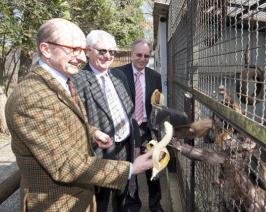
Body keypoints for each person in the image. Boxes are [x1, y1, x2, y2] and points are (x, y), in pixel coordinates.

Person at [5, 18, 153, 212]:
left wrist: (91, 132)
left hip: (81, 194)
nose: (82, 57)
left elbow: (64, 119)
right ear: (46, 49)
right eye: (73, 49)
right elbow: (65, 165)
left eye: (82, 50)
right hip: (56, 202)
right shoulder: (31, 97)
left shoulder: (63, 81)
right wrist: (131, 169)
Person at [71, 30, 141, 212]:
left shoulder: (119, 76)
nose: (108, 56)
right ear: (88, 51)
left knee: (124, 196)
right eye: (102, 51)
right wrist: (93, 135)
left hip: (125, 147)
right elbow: (74, 121)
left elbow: (130, 114)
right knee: (100, 201)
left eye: (112, 52)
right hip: (99, 151)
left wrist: (136, 144)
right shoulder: (77, 80)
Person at [117, 39, 164, 212]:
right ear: (131, 54)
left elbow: (157, 105)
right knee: (130, 167)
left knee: (154, 169)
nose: (142, 59)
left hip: (145, 129)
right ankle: (132, 204)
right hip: (126, 130)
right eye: (139, 55)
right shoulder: (117, 74)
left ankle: (155, 204)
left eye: (146, 56)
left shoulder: (155, 77)